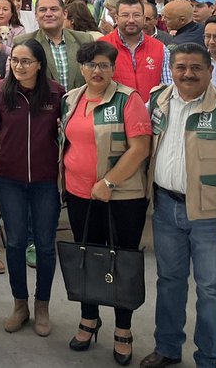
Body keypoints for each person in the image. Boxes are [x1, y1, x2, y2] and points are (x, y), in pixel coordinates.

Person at [141, 43, 216, 368]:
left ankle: (207, 358)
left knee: (210, 290)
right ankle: (167, 347)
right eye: (181, 67)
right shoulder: (159, 101)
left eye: (196, 68)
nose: (188, 74)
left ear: (210, 71)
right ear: (172, 70)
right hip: (166, 209)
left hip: (211, 217)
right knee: (169, 281)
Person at [61, 40, 152, 364]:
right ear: (81, 68)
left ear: (113, 68)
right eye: (90, 65)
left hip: (121, 197)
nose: (96, 71)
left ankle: (123, 329)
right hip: (79, 193)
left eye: (103, 65)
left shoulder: (129, 100)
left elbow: (139, 148)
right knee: (87, 255)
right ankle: (89, 319)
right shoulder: (72, 99)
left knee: (122, 262)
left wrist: (109, 182)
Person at [0, 38, 65, 337]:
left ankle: (42, 305)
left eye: (26, 61)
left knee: (45, 245)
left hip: (46, 180)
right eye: (14, 61)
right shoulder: (0, 91)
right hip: (9, 179)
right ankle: (20, 304)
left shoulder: (57, 93)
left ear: (40, 64)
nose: (19, 67)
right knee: (16, 242)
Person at [16, 0, 95, 90]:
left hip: (78, 102)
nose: (48, 14)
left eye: (54, 9)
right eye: (43, 10)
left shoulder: (84, 40)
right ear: (36, 16)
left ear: (65, 14)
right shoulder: (23, 42)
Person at [101, 0, 171, 103]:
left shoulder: (160, 48)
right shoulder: (101, 46)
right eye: (125, 15)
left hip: (150, 114)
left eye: (136, 15)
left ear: (143, 18)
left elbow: (168, 87)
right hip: (113, 115)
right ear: (116, 19)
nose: (131, 20)